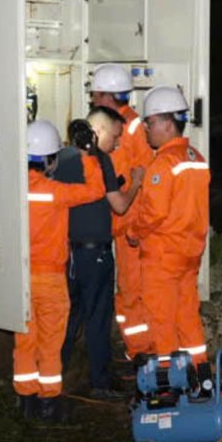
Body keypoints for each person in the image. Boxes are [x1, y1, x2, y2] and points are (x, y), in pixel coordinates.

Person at [119, 85, 212, 382]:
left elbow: (154, 212)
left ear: (169, 123)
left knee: (161, 319)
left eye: (151, 122)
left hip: (162, 255)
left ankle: (167, 384)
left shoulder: (164, 163)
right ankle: (200, 372)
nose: (147, 128)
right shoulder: (195, 157)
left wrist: (133, 231)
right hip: (189, 253)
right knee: (188, 315)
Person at [16, 119, 106, 421]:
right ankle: (49, 404)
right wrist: (88, 153)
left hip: (20, 278)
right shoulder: (56, 192)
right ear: (50, 160)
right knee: (51, 343)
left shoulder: (10, 193)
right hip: (51, 279)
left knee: (25, 341)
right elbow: (96, 190)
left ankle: (25, 402)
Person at [56, 107, 144, 398]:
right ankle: (100, 383)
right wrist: (137, 183)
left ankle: (53, 374)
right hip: (96, 255)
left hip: (69, 255)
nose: (117, 144)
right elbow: (118, 205)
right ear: (101, 131)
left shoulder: (61, 159)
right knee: (97, 318)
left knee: (71, 316)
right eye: (115, 137)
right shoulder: (99, 160)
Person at [89, 63, 155, 348]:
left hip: (129, 224)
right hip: (118, 224)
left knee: (132, 291)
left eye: (95, 94)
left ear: (107, 96)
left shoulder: (130, 128)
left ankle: (141, 352)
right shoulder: (124, 125)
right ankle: (136, 349)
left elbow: (140, 178)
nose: (92, 99)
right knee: (127, 290)